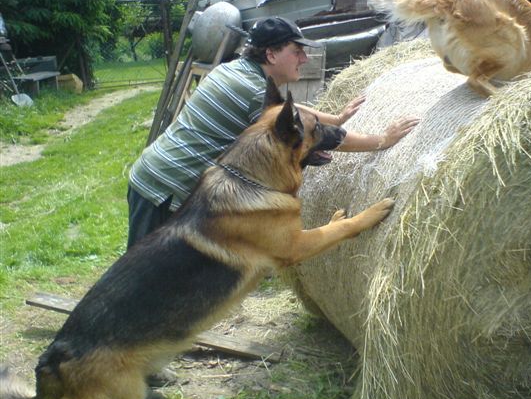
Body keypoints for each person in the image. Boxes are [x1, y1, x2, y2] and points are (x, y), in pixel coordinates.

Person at [127, 16, 419, 249]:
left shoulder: (236, 71)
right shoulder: (255, 92)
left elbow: (290, 111)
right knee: (145, 290)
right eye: (297, 51)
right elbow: (305, 133)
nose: (303, 58)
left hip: (155, 176)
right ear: (271, 54)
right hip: (163, 189)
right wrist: (382, 141)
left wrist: (337, 116)